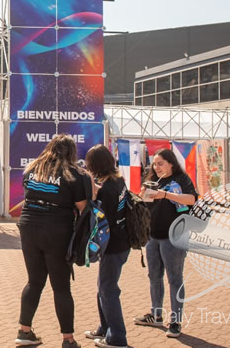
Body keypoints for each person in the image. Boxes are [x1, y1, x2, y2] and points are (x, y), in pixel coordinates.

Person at [15, 135, 90, 348]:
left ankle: (24, 331)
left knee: (34, 281)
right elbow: (83, 207)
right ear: (71, 152)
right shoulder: (73, 174)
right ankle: (68, 339)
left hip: (28, 226)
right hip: (57, 229)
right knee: (61, 287)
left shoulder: (32, 169)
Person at [134, 148, 197, 339]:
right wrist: (141, 195)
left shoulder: (181, 179)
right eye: (154, 163)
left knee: (175, 279)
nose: (156, 166)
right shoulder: (153, 180)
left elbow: (192, 199)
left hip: (175, 237)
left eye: (160, 163)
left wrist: (166, 195)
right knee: (154, 276)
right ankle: (156, 314)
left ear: (171, 163)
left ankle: (175, 321)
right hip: (153, 236)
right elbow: (143, 206)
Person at [84, 145, 131, 348]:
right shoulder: (118, 181)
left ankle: (117, 337)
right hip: (121, 242)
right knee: (103, 287)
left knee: (108, 289)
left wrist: (93, 197)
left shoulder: (107, 188)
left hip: (113, 245)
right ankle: (105, 328)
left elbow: (102, 216)